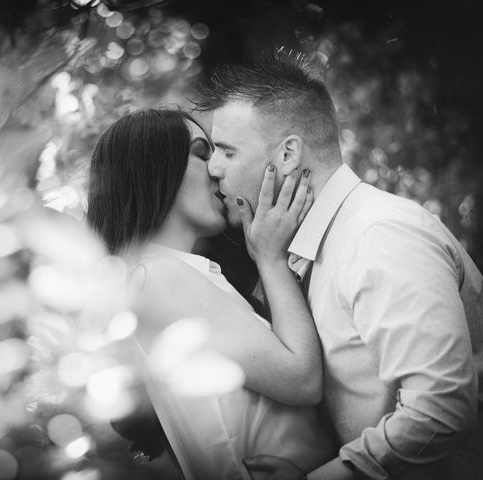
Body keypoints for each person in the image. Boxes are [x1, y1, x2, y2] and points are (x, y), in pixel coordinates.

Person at [195, 53, 483, 480]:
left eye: (226, 151)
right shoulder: (304, 250)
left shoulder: (378, 236)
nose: (213, 169)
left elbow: (439, 410)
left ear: (289, 153)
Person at [86, 109, 335, 479]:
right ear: (155, 167)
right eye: (203, 152)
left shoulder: (164, 276)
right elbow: (301, 379)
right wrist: (270, 258)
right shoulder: (157, 275)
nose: (217, 168)